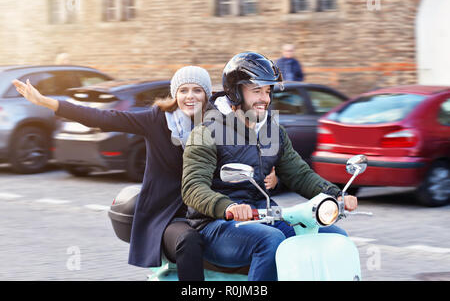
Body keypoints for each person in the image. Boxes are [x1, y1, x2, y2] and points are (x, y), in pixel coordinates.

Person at [12, 65, 279, 281]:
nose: (190, 97)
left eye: (197, 90)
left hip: (208, 210)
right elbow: (102, 118)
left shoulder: (217, 120)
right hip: (170, 215)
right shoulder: (156, 120)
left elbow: (249, 132)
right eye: (183, 90)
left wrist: (271, 169)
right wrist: (47, 102)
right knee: (189, 241)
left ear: (206, 94)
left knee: (266, 234)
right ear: (175, 94)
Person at [181, 52, 358, 281]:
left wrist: (336, 195)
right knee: (270, 241)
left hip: (264, 216)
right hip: (216, 225)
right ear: (235, 92)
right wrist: (229, 206)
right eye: (256, 91)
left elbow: (299, 174)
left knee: (333, 235)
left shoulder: (273, 132)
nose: (264, 98)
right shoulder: (205, 132)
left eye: (267, 91)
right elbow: (192, 187)